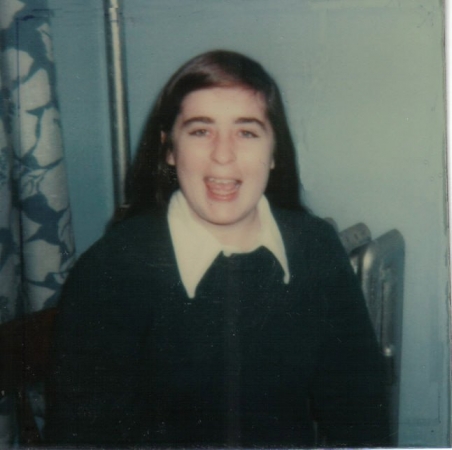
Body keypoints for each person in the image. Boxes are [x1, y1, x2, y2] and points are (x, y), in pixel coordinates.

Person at [45, 50, 390, 448]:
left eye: (247, 132)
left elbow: (362, 414)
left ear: (274, 152)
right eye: (200, 131)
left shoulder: (317, 249)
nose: (223, 155)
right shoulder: (111, 271)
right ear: (169, 149)